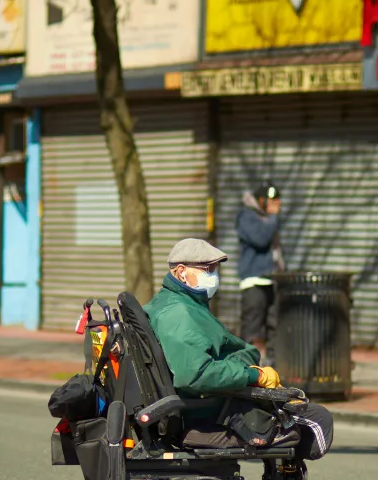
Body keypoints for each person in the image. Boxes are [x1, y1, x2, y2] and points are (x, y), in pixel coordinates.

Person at [143, 238, 333, 465]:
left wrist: (248, 367)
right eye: (208, 269)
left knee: (295, 410)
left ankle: (281, 476)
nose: (214, 276)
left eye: (216, 269)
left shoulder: (177, 303)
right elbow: (195, 374)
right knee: (317, 419)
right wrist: (253, 375)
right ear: (182, 272)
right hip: (212, 408)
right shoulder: (179, 313)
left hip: (216, 398)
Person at [235, 180, 285, 365]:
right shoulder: (246, 216)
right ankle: (247, 366)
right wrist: (273, 217)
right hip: (254, 280)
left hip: (272, 280)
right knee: (252, 327)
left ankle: (272, 366)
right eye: (271, 201)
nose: (275, 206)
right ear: (261, 200)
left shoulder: (269, 219)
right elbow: (260, 239)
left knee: (274, 325)